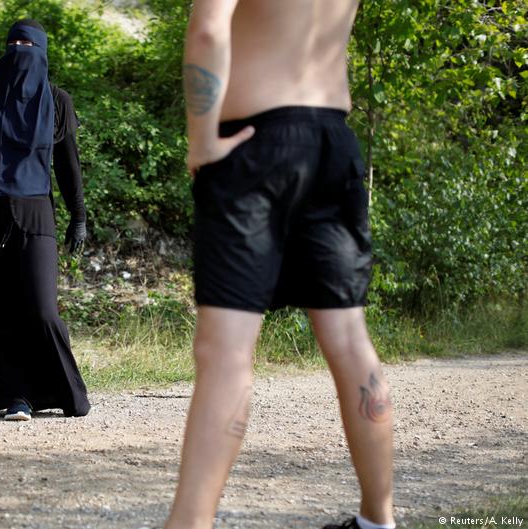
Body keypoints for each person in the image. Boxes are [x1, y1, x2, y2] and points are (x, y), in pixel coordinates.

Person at [166, 1, 395, 529]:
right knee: (348, 335)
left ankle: (189, 523)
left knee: (226, 350)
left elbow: (207, 29)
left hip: (254, 145)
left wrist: (201, 139)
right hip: (332, 139)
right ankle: (378, 520)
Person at [0, 19, 91, 422]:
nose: (19, 50)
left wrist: (78, 216)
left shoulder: (57, 100)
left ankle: (67, 393)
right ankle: (17, 395)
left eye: (28, 44)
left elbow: (68, 164)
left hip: (35, 211)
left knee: (41, 308)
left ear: (41, 51)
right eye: (13, 43)